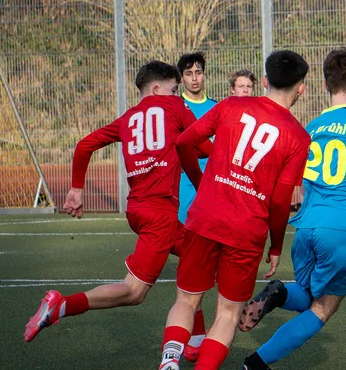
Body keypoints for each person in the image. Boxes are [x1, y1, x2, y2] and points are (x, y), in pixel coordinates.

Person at [138, 50, 311, 370]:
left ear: (263, 81)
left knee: (186, 301)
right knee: (228, 314)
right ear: (302, 90)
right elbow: (280, 201)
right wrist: (276, 245)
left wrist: (201, 184)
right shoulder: (297, 136)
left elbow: (184, 143)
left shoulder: (231, 106)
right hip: (247, 232)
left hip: (204, 219)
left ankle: (169, 360)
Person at [235, 46, 346, 370]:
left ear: (324, 85)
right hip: (342, 228)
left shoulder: (313, 126)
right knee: (324, 307)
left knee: (307, 292)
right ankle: (255, 362)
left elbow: (302, 185)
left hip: (306, 226)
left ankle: (279, 293)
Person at [23, 61, 208, 348]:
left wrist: (76, 189)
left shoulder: (128, 118)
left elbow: (85, 145)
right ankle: (60, 305)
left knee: (199, 256)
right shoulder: (175, 108)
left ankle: (196, 339)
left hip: (137, 210)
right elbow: (202, 145)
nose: (177, 95)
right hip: (159, 213)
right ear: (157, 89)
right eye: (174, 89)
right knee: (133, 292)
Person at [177, 52, 217, 358]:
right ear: (181, 78)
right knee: (193, 271)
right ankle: (197, 337)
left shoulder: (217, 108)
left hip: (213, 195)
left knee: (212, 270)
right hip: (183, 196)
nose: (194, 77)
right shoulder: (176, 108)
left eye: (198, 72)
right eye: (189, 72)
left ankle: (202, 335)